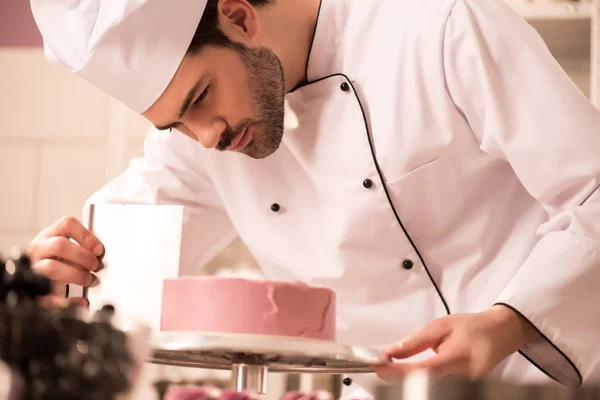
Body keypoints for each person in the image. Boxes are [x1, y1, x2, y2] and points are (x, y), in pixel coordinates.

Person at [27, 0, 600, 397]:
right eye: (175, 125)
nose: (207, 137)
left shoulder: (438, 24)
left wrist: (506, 322)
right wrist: (54, 277)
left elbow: (593, 190)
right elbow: (108, 262)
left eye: (201, 97)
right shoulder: (210, 139)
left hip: (529, 387)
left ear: (238, 15)